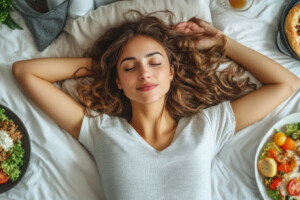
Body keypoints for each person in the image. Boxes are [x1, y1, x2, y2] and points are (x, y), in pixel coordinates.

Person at [12, 14, 300, 199]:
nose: (144, 73)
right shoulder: (102, 132)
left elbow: (286, 84)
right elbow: (25, 72)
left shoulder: (207, 127)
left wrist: (223, 42)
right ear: (119, 82)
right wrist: (102, 65)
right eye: (129, 67)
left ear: (172, 73)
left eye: (155, 62)